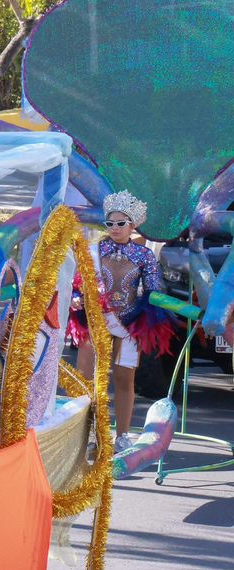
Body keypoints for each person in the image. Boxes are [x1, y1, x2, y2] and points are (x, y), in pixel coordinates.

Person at [74, 191, 170, 448]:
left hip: (128, 325)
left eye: (120, 223)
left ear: (132, 225)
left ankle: (122, 436)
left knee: (124, 379)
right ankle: (87, 434)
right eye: (110, 223)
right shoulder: (92, 251)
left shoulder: (144, 255)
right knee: (86, 378)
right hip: (95, 321)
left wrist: (148, 306)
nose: (114, 228)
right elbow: (78, 282)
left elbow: (154, 290)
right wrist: (76, 298)